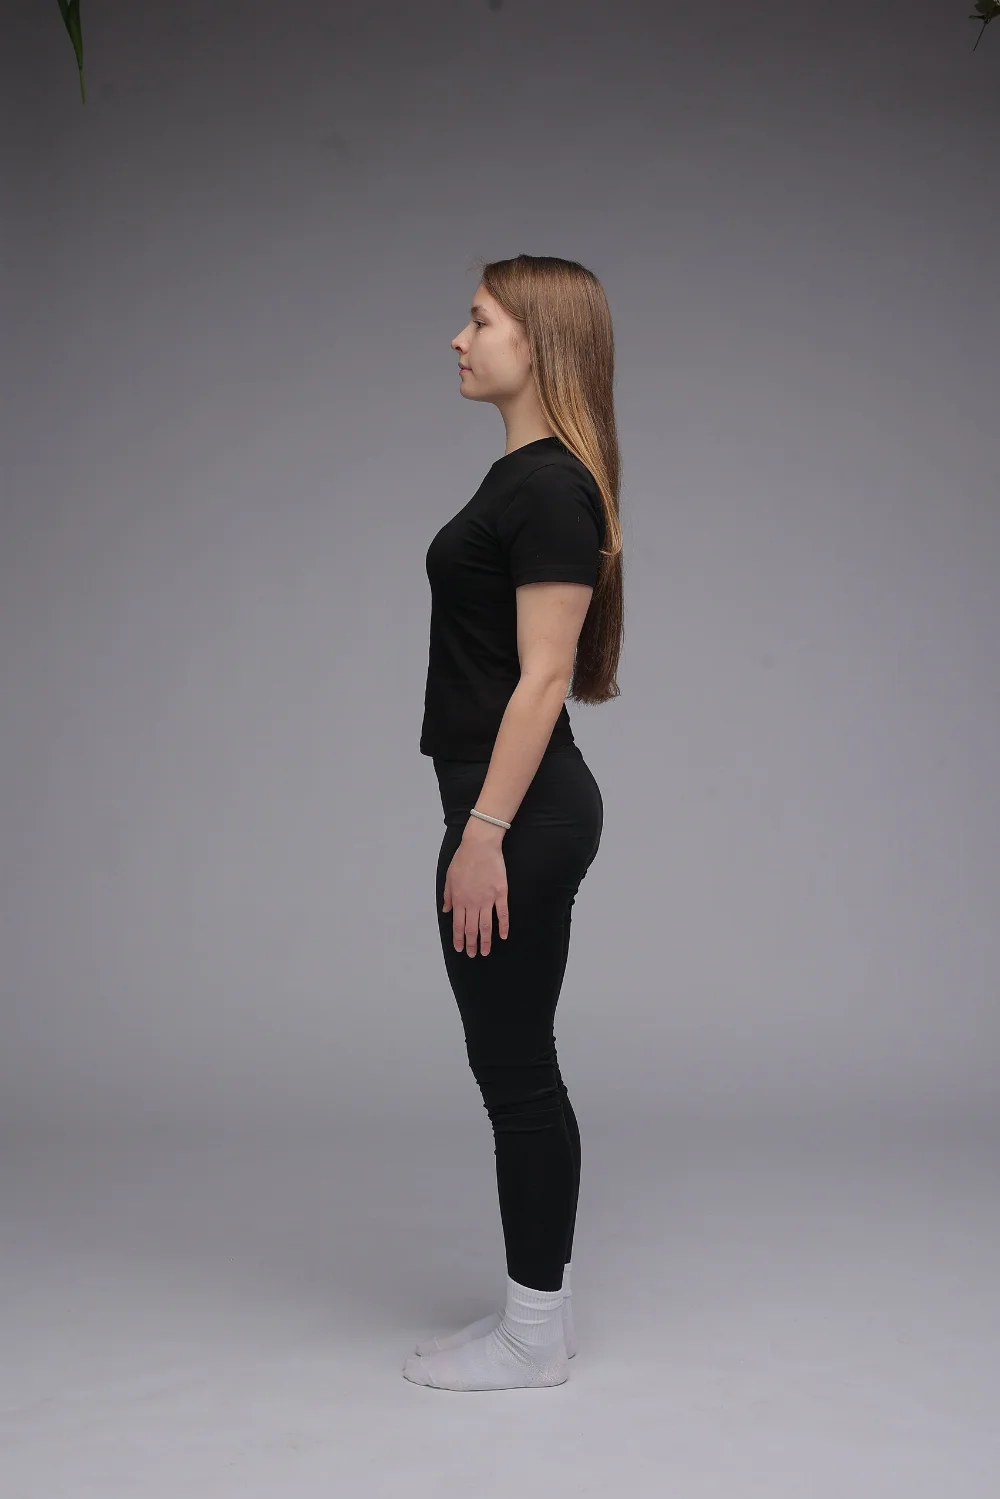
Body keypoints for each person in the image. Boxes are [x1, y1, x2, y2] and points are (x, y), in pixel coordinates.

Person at [402, 254, 625, 1391]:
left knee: (515, 1069)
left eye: (480, 319)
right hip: (509, 805)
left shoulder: (548, 488)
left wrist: (483, 830)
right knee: (517, 1061)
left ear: (536, 341)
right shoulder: (527, 479)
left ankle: (532, 1335)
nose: (459, 337)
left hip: (517, 811)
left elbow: (544, 678)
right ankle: (546, 1315)